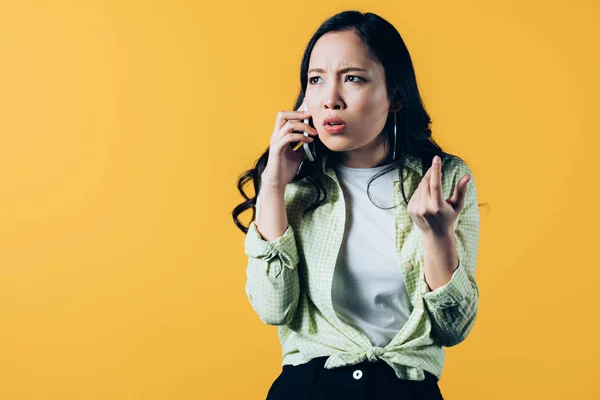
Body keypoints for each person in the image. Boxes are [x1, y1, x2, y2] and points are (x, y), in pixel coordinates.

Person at [232, 10, 481, 400]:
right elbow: (272, 309)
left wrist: (437, 237)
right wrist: (274, 184)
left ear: (395, 96)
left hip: (406, 390)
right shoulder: (294, 185)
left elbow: (454, 329)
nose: (330, 99)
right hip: (309, 387)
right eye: (316, 80)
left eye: (353, 78)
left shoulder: (442, 179)